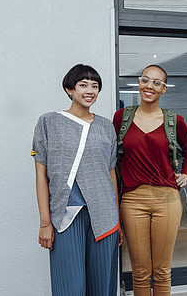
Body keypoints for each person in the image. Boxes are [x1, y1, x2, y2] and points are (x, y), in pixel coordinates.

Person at [32, 64, 122, 295]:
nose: (90, 90)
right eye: (83, 85)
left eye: (95, 86)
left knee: (103, 285)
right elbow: (41, 175)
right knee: (71, 287)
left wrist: (117, 220)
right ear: (69, 89)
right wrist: (45, 222)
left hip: (104, 215)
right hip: (66, 215)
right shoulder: (49, 122)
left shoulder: (106, 126)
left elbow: (111, 172)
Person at [113, 65, 187, 296]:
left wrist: (186, 173)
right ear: (139, 83)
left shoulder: (174, 121)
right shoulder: (122, 118)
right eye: (145, 80)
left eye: (156, 82)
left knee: (161, 271)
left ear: (164, 89)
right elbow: (111, 158)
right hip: (132, 201)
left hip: (167, 200)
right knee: (139, 272)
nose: (149, 86)